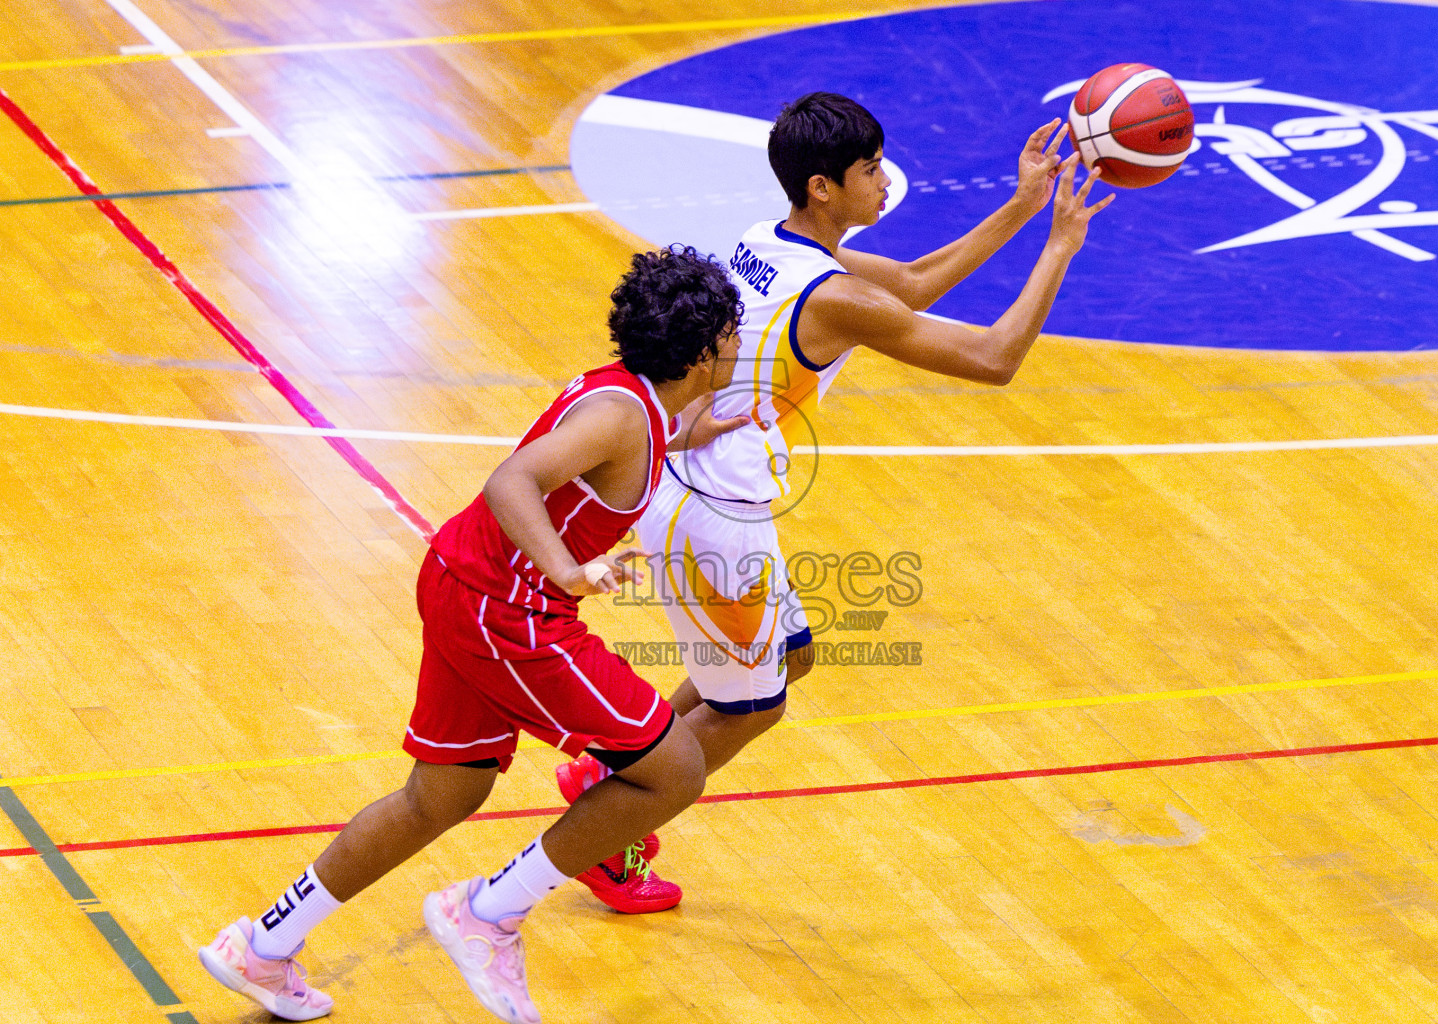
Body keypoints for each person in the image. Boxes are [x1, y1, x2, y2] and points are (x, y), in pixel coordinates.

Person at [553, 92, 1113, 887]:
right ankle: (609, 831)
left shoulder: (768, 242)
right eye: (870, 168)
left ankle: (608, 772)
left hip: (692, 490)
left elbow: (914, 284)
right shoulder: (834, 296)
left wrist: (1022, 205)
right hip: (714, 519)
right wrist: (1059, 244)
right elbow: (995, 358)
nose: (885, 181)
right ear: (823, 187)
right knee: (754, 707)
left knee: (792, 655)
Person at [196, 245, 749, 1023]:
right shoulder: (619, 418)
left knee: (442, 794)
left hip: (462, 582)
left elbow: (617, 451)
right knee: (676, 767)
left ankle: (262, 945)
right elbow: (512, 479)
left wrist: (691, 435)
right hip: (509, 612)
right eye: (730, 331)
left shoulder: (636, 404)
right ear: (698, 352)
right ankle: (487, 914)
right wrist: (564, 569)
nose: (737, 341)